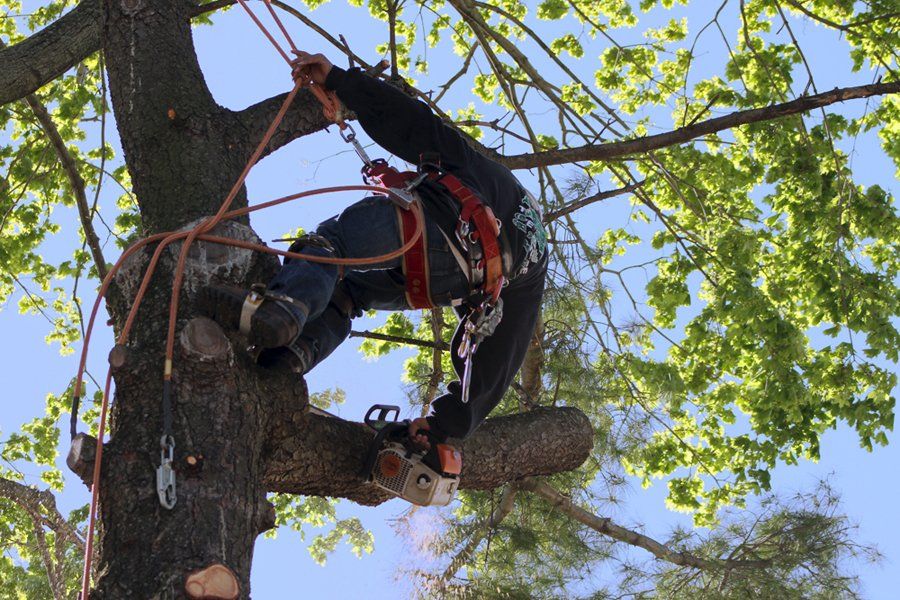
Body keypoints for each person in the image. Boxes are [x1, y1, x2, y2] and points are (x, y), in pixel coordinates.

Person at [199, 51, 548, 449]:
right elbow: (506, 351)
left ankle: (286, 307)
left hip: (432, 223)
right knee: (351, 294)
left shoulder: (485, 171)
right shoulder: (534, 264)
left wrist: (340, 82)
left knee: (331, 245)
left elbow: (411, 123)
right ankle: (290, 358)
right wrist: (448, 425)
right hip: (448, 283)